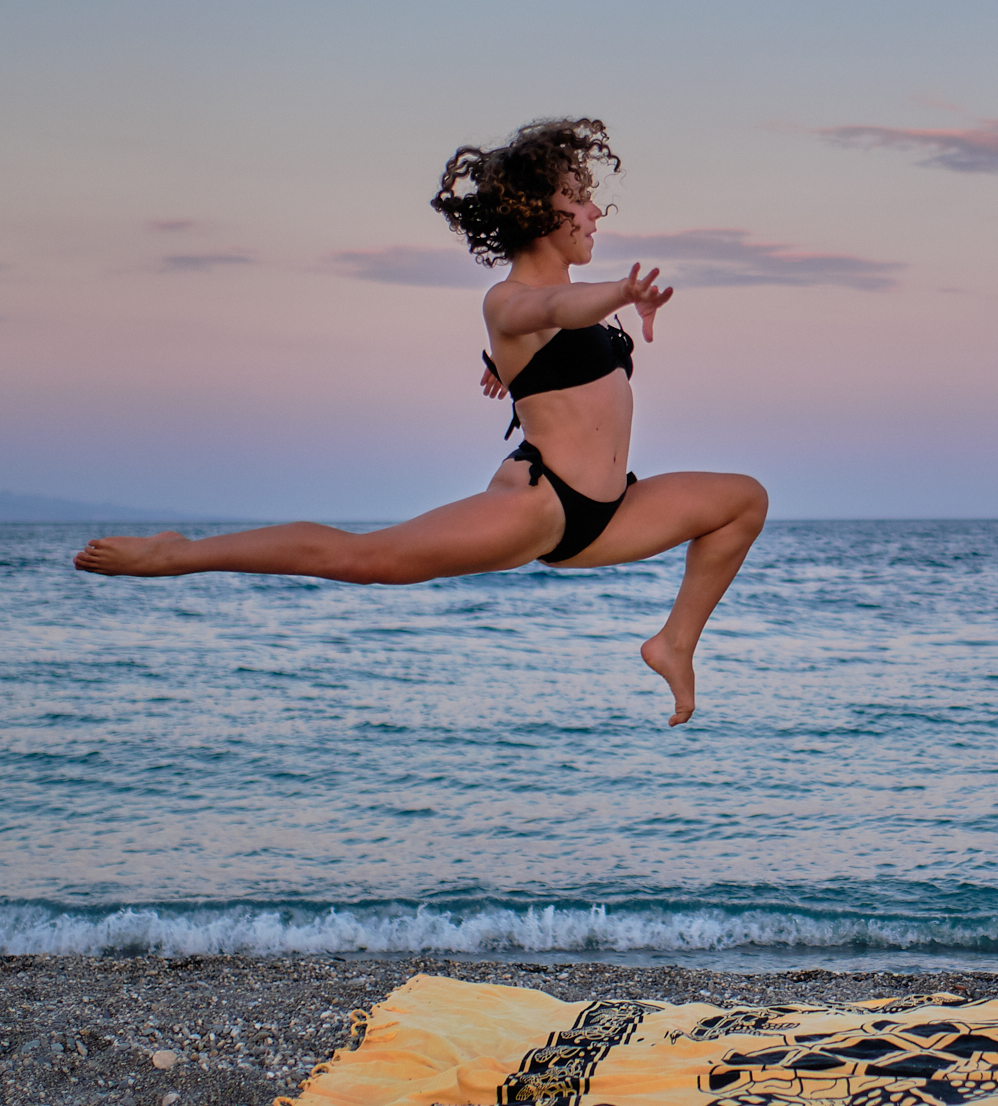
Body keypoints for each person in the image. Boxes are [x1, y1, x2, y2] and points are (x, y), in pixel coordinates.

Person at [75, 118, 768, 726]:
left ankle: (674, 643)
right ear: (540, 210)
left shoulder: (545, 310)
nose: (593, 211)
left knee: (742, 502)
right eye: (578, 197)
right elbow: (553, 312)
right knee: (367, 560)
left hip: (610, 509)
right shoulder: (513, 299)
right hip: (543, 503)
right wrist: (620, 291)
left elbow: (559, 351)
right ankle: (177, 553)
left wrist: (512, 368)